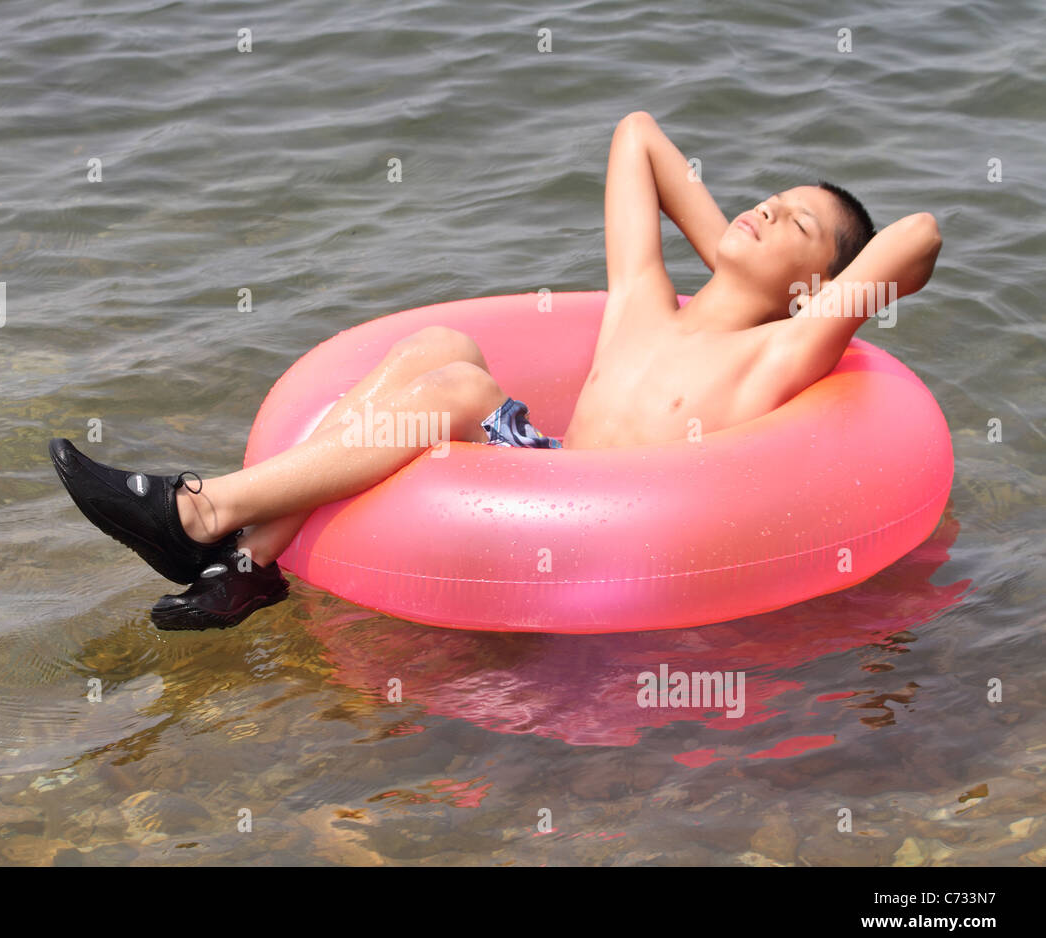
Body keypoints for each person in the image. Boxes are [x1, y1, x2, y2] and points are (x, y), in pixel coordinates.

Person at [50, 110, 942, 630]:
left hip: (613, 527)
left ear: (815, 285)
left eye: (788, 225)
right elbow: (635, 135)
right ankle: (245, 562)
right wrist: (727, 245)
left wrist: (807, 293)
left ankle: (202, 511)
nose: (761, 209)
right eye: (769, 198)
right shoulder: (642, 302)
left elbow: (919, 236)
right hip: (548, 473)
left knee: (464, 390)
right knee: (440, 348)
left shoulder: (780, 351)